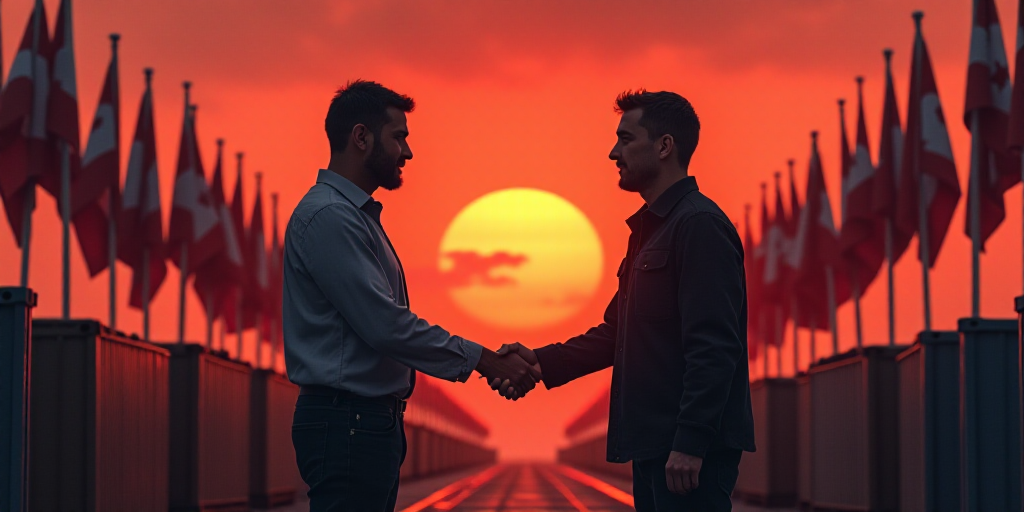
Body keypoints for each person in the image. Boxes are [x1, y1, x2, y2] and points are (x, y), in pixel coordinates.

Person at [283, 80, 541, 512]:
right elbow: (386, 326)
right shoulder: (331, 217)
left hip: (363, 422)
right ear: (361, 137)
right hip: (348, 421)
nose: (408, 152)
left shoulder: (353, 217)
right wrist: (483, 359)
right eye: (399, 136)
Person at [494, 90, 755, 511]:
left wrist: (691, 439)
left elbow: (714, 346)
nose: (613, 152)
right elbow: (616, 333)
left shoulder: (700, 227)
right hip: (655, 446)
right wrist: (540, 362)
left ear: (665, 146)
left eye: (626, 138)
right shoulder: (651, 232)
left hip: (686, 455)